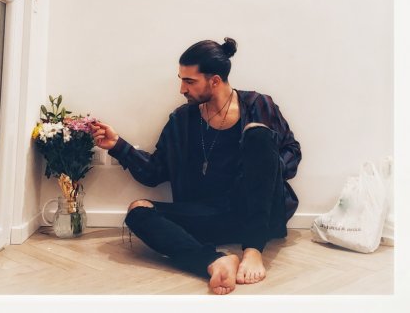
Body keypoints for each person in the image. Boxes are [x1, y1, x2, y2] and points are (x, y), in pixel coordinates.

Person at [91, 37, 301, 295]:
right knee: (138, 210)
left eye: (189, 81)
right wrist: (117, 145)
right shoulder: (182, 120)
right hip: (209, 215)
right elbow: (154, 171)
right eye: (181, 80)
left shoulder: (258, 105)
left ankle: (253, 249)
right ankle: (213, 262)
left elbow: (292, 153)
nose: (182, 89)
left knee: (258, 133)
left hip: (259, 213)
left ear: (215, 81)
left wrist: (263, 167)